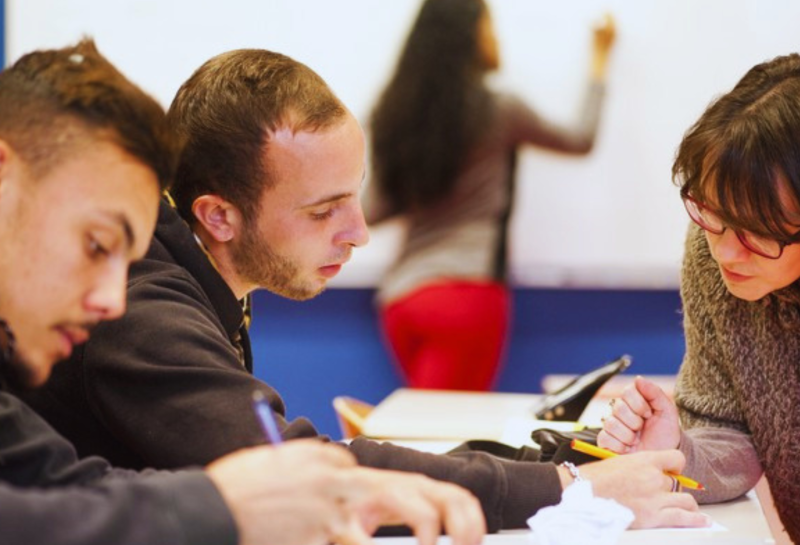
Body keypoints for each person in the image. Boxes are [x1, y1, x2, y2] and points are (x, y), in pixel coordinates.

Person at [20, 47, 709, 532]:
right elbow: (302, 473)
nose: (359, 233)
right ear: (219, 217)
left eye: (355, 197)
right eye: (324, 211)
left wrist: (561, 462)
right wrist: (570, 487)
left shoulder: (199, 274)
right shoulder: (143, 303)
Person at [0, 38, 488, 545]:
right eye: (96, 245)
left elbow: (59, 487)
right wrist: (222, 503)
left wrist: (225, 500)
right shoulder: (145, 309)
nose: (111, 301)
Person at [363, 0, 616, 391]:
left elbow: (372, 210)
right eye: (489, 27)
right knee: (437, 426)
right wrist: (600, 60)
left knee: (428, 420)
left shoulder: (395, 111)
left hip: (402, 300)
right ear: (469, 36)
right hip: (466, 298)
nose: (496, 38)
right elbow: (579, 138)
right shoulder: (498, 109)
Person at [596, 53, 800, 541]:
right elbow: (726, 428)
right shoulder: (711, 257)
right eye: (713, 214)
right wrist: (677, 451)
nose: (725, 251)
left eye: (757, 231)